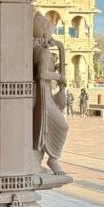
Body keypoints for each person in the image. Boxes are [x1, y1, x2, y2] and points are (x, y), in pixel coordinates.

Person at [33, 12, 68, 174]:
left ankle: (40, 161)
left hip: (43, 93)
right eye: (51, 31)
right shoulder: (44, 52)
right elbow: (42, 75)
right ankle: (53, 159)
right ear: (45, 32)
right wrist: (59, 76)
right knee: (62, 126)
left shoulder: (37, 49)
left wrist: (59, 47)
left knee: (41, 128)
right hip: (43, 95)